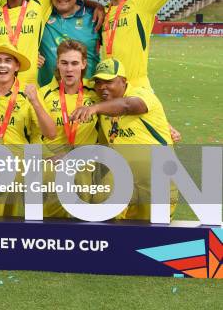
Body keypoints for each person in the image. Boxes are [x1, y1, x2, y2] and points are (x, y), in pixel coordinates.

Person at [71, 58, 177, 220]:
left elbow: (130, 105)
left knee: (153, 231)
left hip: (155, 176)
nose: (102, 87)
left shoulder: (141, 94)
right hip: (122, 176)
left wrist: (95, 108)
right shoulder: (103, 107)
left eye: (109, 81)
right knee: (102, 210)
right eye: (98, 82)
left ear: (123, 81)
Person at [0, 43, 56, 217]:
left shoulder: (29, 92)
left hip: (20, 160)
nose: (2, 65)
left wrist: (35, 102)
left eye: (8, 61)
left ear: (16, 66)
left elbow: (51, 133)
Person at [36, 40, 101, 217]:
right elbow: (34, 135)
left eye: (74, 63)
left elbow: (122, 107)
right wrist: (49, 157)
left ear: (84, 64)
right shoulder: (43, 94)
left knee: (82, 221)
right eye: (64, 63)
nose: (69, 69)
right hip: (52, 164)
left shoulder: (96, 93)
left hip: (85, 166)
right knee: (52, 223)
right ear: (57, 63)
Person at [38, 0, 100, 86]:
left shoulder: (94, 16)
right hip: (49, 96)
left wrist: (97, 5)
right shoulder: (41, 14)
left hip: (88, 95)